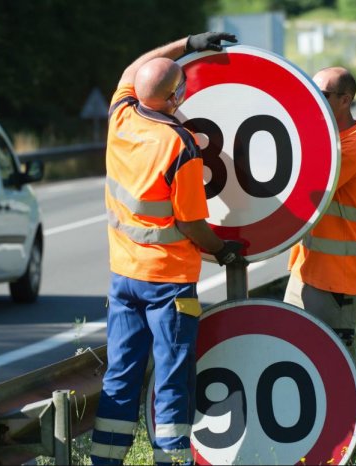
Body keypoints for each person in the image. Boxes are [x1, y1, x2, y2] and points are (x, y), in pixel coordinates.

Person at [90, 32, 245, 466]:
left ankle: (104, 460)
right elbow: (192, 223)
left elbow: (133, 70)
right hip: (169, 285)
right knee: (172, 381)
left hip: (124, 278)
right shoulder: (180, 145)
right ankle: (171, 461)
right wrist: (224, 250)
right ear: (176, 97)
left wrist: (188, 43)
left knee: (121, 376)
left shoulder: (120, 117)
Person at [284, 66, 356, 353]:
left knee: (327, 363)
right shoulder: (331, 139)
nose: (314, 98)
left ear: (345, 100)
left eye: (322, 94)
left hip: (335, 280)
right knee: (290, 354)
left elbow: (308, 186)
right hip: (305, 270)